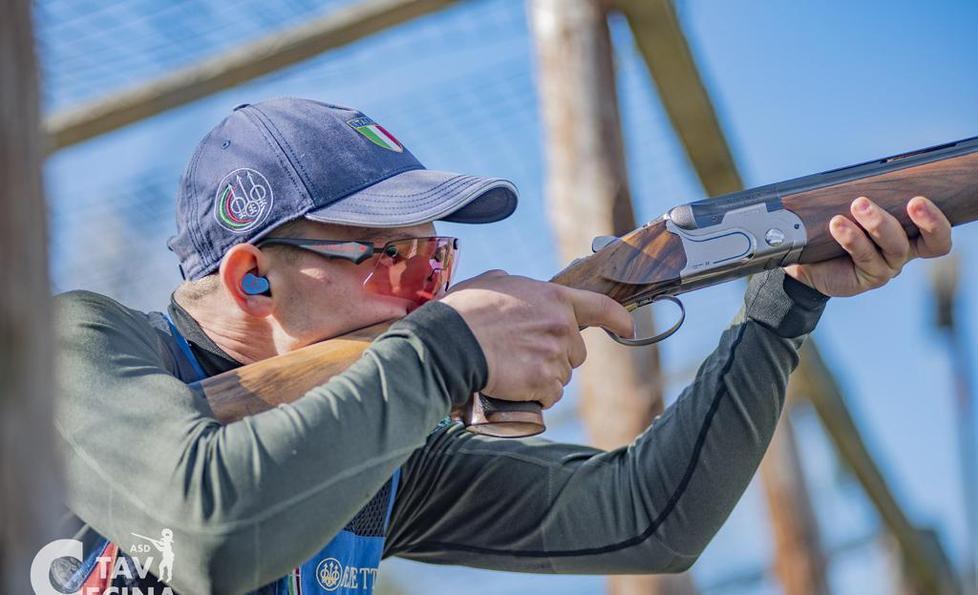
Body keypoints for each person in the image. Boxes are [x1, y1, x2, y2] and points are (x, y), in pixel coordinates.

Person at [53, 98, 952, 594]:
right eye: (394, 258)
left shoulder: (380, 442)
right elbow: (211, 532)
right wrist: (442, 353)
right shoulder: (70, 348)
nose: (432, 288)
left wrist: (781, 304)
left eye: (437, 257)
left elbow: (647, 519)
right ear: (254, 277)